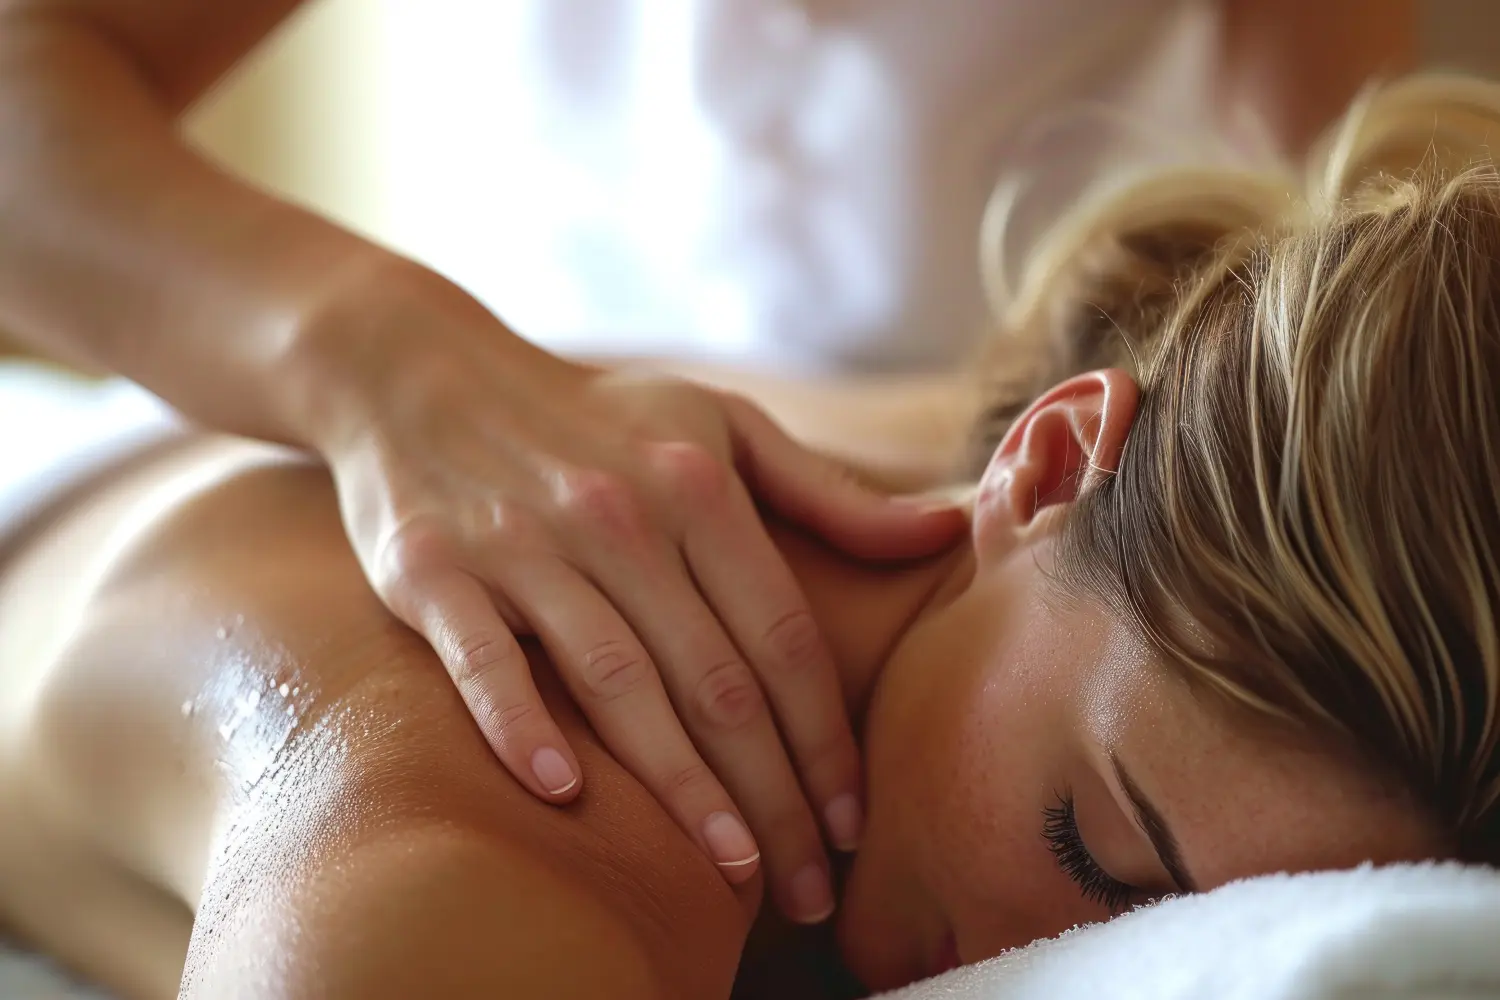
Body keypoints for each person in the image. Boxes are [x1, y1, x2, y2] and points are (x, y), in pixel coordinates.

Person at [2, 72, 1495, 999]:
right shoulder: (503, 832)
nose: (1076, 951)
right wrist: (368, 349)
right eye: (1095, 848)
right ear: (1042, 469)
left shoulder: (1019, 470)